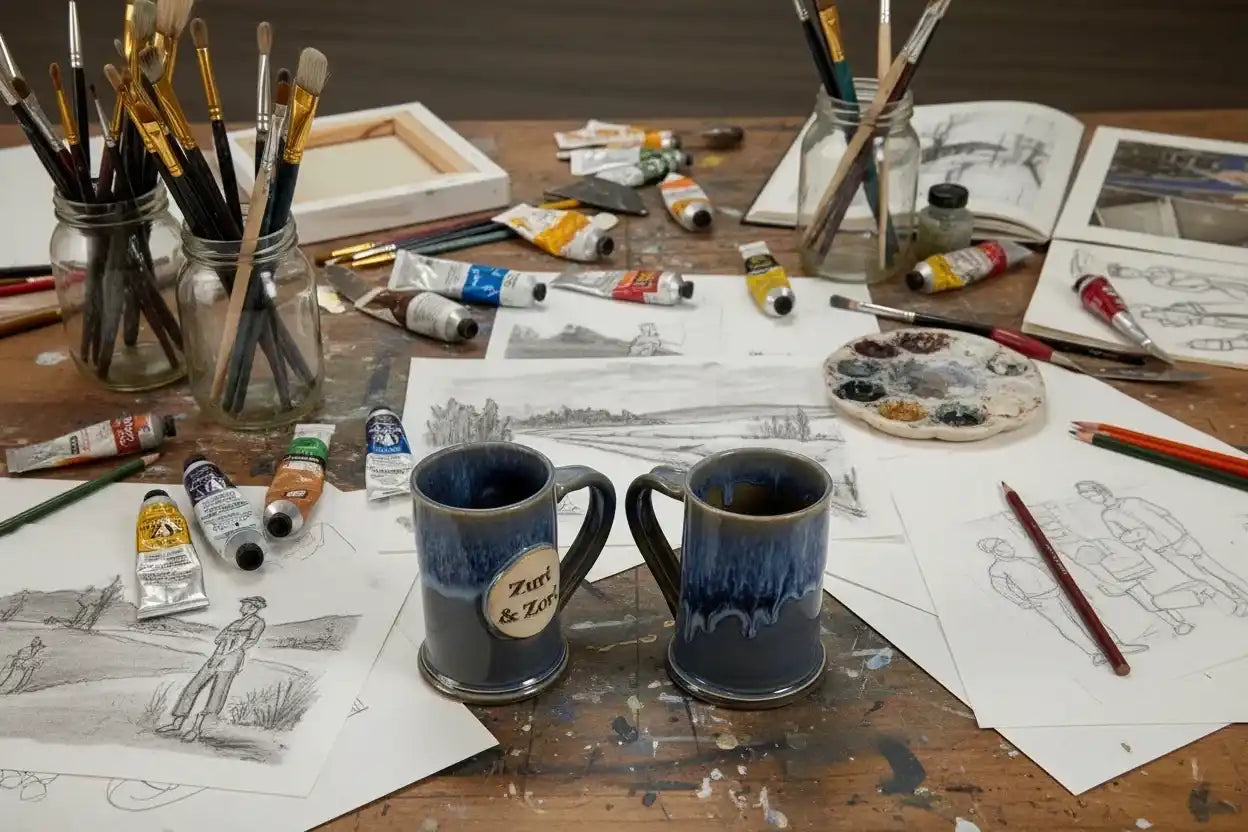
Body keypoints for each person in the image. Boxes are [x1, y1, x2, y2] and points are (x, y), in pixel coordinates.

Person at [1075, 482, 1248, 615]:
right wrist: (1136, 536)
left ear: (1100, 490)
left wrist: (1181, 532)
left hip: (1181, 539)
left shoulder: (1134, 501)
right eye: (1088, 498)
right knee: (1203, 577)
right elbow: (1122, 537)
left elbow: (1164, 513)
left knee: (1217, 570)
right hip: (1163, 549)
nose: (1093, 499)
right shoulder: (1108, 515)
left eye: (1092, 495)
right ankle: (1236, 602)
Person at [982, 538, 1147, 666]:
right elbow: (1003, 588)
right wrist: (1021, 602)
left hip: (1059, 592)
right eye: (1001, 547)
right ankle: (1095, 654)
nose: (1008, 548)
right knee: (1067, 626)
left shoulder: (1026, 559)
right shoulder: (997, 569)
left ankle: (1116, 645)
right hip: (1041, 600)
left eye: (1006, 545)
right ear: (994, 552)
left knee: (1088, 617)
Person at [157, 597, 267, 742]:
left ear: (253, 608)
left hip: (231, 660)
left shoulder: (258, 622)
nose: (242, 607)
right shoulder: (235, 622)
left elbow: (250, 642)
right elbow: (218, 638)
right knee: (193, 687)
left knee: (216, 695)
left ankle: (197, 729)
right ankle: (177, 723)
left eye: (245, 605)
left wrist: (231, 647)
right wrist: (228, 641)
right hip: (216, 657)